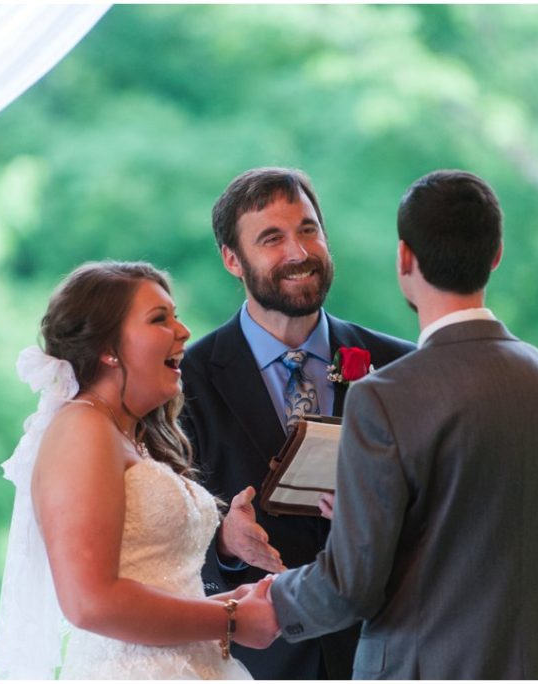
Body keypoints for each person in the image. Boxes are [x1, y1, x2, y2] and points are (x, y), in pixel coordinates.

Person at [269, 170, 538, 678]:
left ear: (404, 258)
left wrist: (271, 601)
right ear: (496, 255)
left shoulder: (383, 396)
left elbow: (351, 587)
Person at [0, 261, 278, 680]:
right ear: (108, 348)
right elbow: (89, 603)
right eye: (160, 319)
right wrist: (232, 619)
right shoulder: (82, 427)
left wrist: (233, 602)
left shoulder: (125, 436)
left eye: (176, 316)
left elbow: (154, 584)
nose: (183, 331)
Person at [180, 167, 416, 679]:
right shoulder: (185, 384)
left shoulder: (402, 366)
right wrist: (225, 545)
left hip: (389, 656)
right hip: (258, 664)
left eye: (308, 230)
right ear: (232, 260)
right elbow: (159, 550)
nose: (298, 252)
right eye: (272, 238)